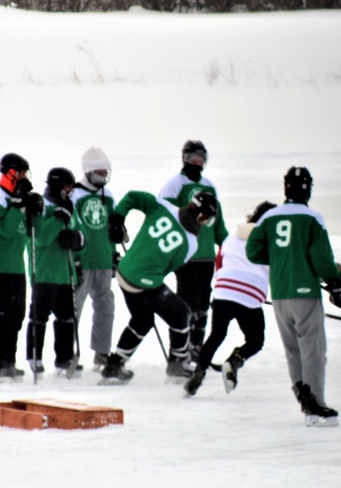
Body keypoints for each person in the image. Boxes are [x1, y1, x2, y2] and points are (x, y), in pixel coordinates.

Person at [246, 167, 341, 427]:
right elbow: (322, 258)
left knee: (293, 350)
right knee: (313, 350)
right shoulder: (312, 218)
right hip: (305, 294)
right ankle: (316, 403)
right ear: (308, 188)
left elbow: (253, 251)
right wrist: (335, 282)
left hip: (280, 294)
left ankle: (302, 396)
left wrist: (282, 259)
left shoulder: (269, 217)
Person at [100, 190, 219, 384]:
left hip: (124, 272)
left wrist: (117, 218)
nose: (204, 223)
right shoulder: (191, 244)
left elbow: (132, 196)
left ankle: (114, 364)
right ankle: (178, 363)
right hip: (143, 281)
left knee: (142, 320)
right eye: (206, 218)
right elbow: (169, 267)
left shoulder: (164, 206)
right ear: (200, 215)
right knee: (182, 314)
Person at [184, 200, 276, 397]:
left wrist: (225, 285)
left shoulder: (234, 235)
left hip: (224, 291)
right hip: (250, 294)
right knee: (255, 340)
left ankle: (197, 374)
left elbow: (220, 262)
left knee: (217, 335)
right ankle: (234, 361)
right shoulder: (271, 238)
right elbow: (276, 268)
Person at [159, 140, 229, 368]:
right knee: (186, 305)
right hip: (185, 256)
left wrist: (227, 247)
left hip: (207, 256)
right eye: (193, 158)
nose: (197, 162)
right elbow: (164, 216)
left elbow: (218, 222)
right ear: (185, 159)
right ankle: (179, 352)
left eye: (201, 158)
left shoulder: (210, 186)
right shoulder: (174, 185)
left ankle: (197, 350)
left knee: (202, 306)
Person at [0, 152, 43, 381]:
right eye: (21, 172)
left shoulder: (19, 198)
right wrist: (16, 205)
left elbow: (29, 232)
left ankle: (8, 362)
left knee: (16, 317)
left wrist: (35, 209)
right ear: (9, 172)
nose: (24, 177)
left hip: (16, 267)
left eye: (26, 173)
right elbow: (5, 230)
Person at [25, 167, 87, 377]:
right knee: (39, 315)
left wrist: (78, 241)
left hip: (64, 272)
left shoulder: (69, 207)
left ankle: (64, 359)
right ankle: (34, 357)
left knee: (67, 317)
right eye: (67, 187)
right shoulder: (41, 206)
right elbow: (40, 238)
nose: (70, 191)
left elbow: (78, 233)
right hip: (43, 271)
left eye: (71, 187)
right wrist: (58, 219)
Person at [70, 147, 118, 371]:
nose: (103, 175)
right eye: (99, 171)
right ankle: (68, 354)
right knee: (74, 307)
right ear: (88, 171)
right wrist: (74, 259)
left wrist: (114, 253)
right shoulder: (75, 194)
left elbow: (111, 228)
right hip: (82, 260)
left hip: (103, 259)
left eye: (105, 171)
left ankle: (102, 352)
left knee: (106, 306)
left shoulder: (107, 196)